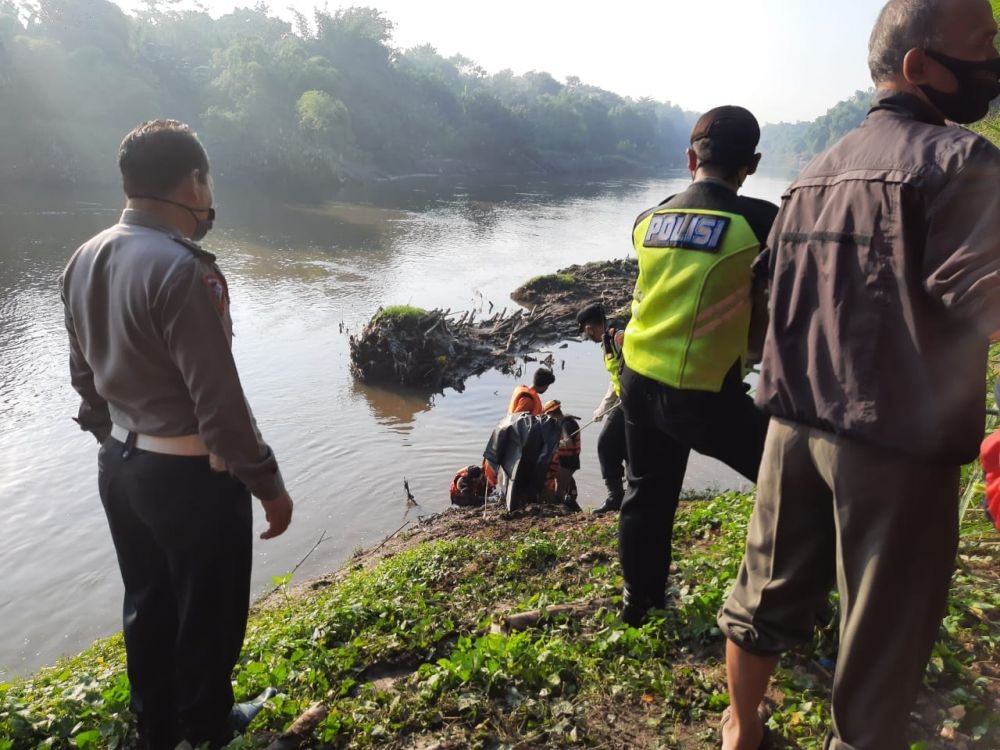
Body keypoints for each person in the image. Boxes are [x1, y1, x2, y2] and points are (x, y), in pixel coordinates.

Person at [717, 2, 1000, 748]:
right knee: (882, 637)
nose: (994, 64)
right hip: (895, 444)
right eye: (985, 47)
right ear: (919, 66)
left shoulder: (812, 172)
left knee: (762, 597)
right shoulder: (962, 162)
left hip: (791, 425)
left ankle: (741, 731)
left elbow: (770, 299)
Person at [60, 120, 295, 750]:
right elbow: (219, 406)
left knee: (148, 605)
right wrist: (268, 483)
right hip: (191, 477)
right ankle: (207, 729)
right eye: (207, 179)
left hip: (121, 468)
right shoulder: (185, 270)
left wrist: (122, 444)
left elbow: (85, 378)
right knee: (209, 614)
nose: (209, 193)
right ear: (193, 180)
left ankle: (157, 727)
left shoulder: (83, 257)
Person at [618, 106, 778, 626]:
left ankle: (638, 603)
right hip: (703, 391)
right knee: (789, 481)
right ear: (750, 165)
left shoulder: (649, 219)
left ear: (690, 157)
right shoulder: (761, 222)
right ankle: (787, 602)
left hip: (638, 376)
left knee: (646, 491)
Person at [577, 302, 627, 514]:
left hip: (636, 401)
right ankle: (625, 495)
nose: (587, 337)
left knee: (606, 444)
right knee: (624, 446)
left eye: (586, 333)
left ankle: (616, 497)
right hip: (625, 400)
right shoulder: (607, 341)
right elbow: (615, 377)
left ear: (589, 328)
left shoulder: (619, 337)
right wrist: (603, 408)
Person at [541, 399, 583, 512]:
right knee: (556, 485)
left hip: (567, 462)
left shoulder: (566, 424)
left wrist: (551, 444)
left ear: (550, 413)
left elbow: (567, 443)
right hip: (564, 460)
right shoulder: (562, 421)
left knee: (560, 491)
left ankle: (562, 510)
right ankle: (560, 505)